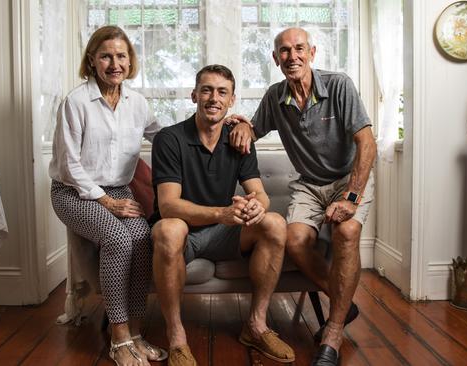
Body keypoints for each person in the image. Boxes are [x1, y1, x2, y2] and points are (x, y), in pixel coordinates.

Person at [229, 28, 376, 366]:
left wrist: (352, 196)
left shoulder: (339, 85)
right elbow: (254, 128)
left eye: (298, 49)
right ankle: (342, 299)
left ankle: (334, 331)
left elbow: (366, 143)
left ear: (312, 52)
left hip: (346, 178)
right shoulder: (275, 96)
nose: (291, 56)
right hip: (309, 184)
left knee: (348, 232)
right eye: (284, 51)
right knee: (294, 240)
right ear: (275, 58)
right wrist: (241, 127)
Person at [151, 64, 294, 366]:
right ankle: (177, 338)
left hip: (223, 232)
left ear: (231, 100)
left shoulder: (239, 138)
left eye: (222, 92)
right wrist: (222, 212)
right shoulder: (170, 138)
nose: (213, 98)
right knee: (168, 229)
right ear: (194, 95)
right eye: (206, 90)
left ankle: (256, 325)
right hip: (186, 234)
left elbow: (260, 193)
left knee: (275, 223)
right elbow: (168, 206)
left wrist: (258, 205)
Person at [49, 25, 168, 366]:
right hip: (75, 192)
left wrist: (212, 124)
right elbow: (70, 164)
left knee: (143, 238)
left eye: (121, 55)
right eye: (105, 56)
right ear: (92, 60)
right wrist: (105, 200)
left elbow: (164, 137)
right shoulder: (76, 102)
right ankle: (118, 338)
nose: (114, 63)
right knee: (117, 239)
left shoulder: (138, 103)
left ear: (130, 61)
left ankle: (136, 332)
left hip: (118, 190)